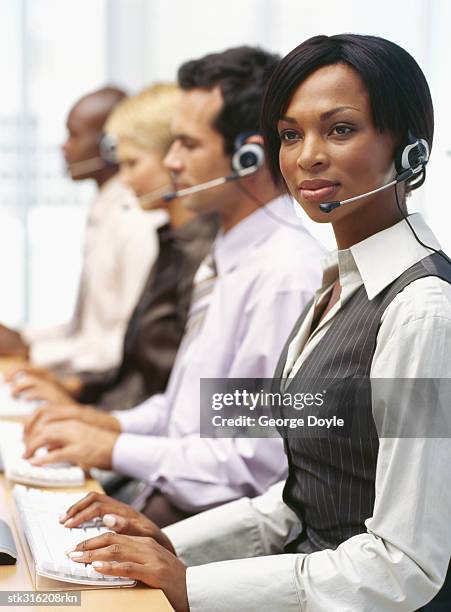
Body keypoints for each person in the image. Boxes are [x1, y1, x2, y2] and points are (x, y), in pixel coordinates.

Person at [60, 34, 451, 611]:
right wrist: (173, 544)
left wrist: (191, 583)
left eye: (340, 129)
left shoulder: (420, 315)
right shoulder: (335, 285)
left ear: (412, 147)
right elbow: (302, 493)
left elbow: (406, 564)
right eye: (291, 135)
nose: (306, 156)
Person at [23, 46, 325, 527]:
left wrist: (114, 447)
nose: (172, 162)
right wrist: (109, 424)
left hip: (212, 523)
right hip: (172, 496)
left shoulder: (284, 278)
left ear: (250, 156)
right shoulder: (229, 255)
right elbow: (191, 408)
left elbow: (252, 461)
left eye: (187, 144)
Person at [6, 84, 216, 411]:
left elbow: (219, 418)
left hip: (141, 427)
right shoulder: (170, 240)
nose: (126, 178)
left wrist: (94, 418)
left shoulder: (148, 231)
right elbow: (147, 376)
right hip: (131, 419)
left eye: (133, 163)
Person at [0, 87, 161, 373]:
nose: (65, 147)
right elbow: (85, 332)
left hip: (106, 392)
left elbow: (121, 345)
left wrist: (31, 352)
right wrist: (24, 339)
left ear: (108, 147)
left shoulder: (135, 221)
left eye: (73, 135)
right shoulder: (104, 210)